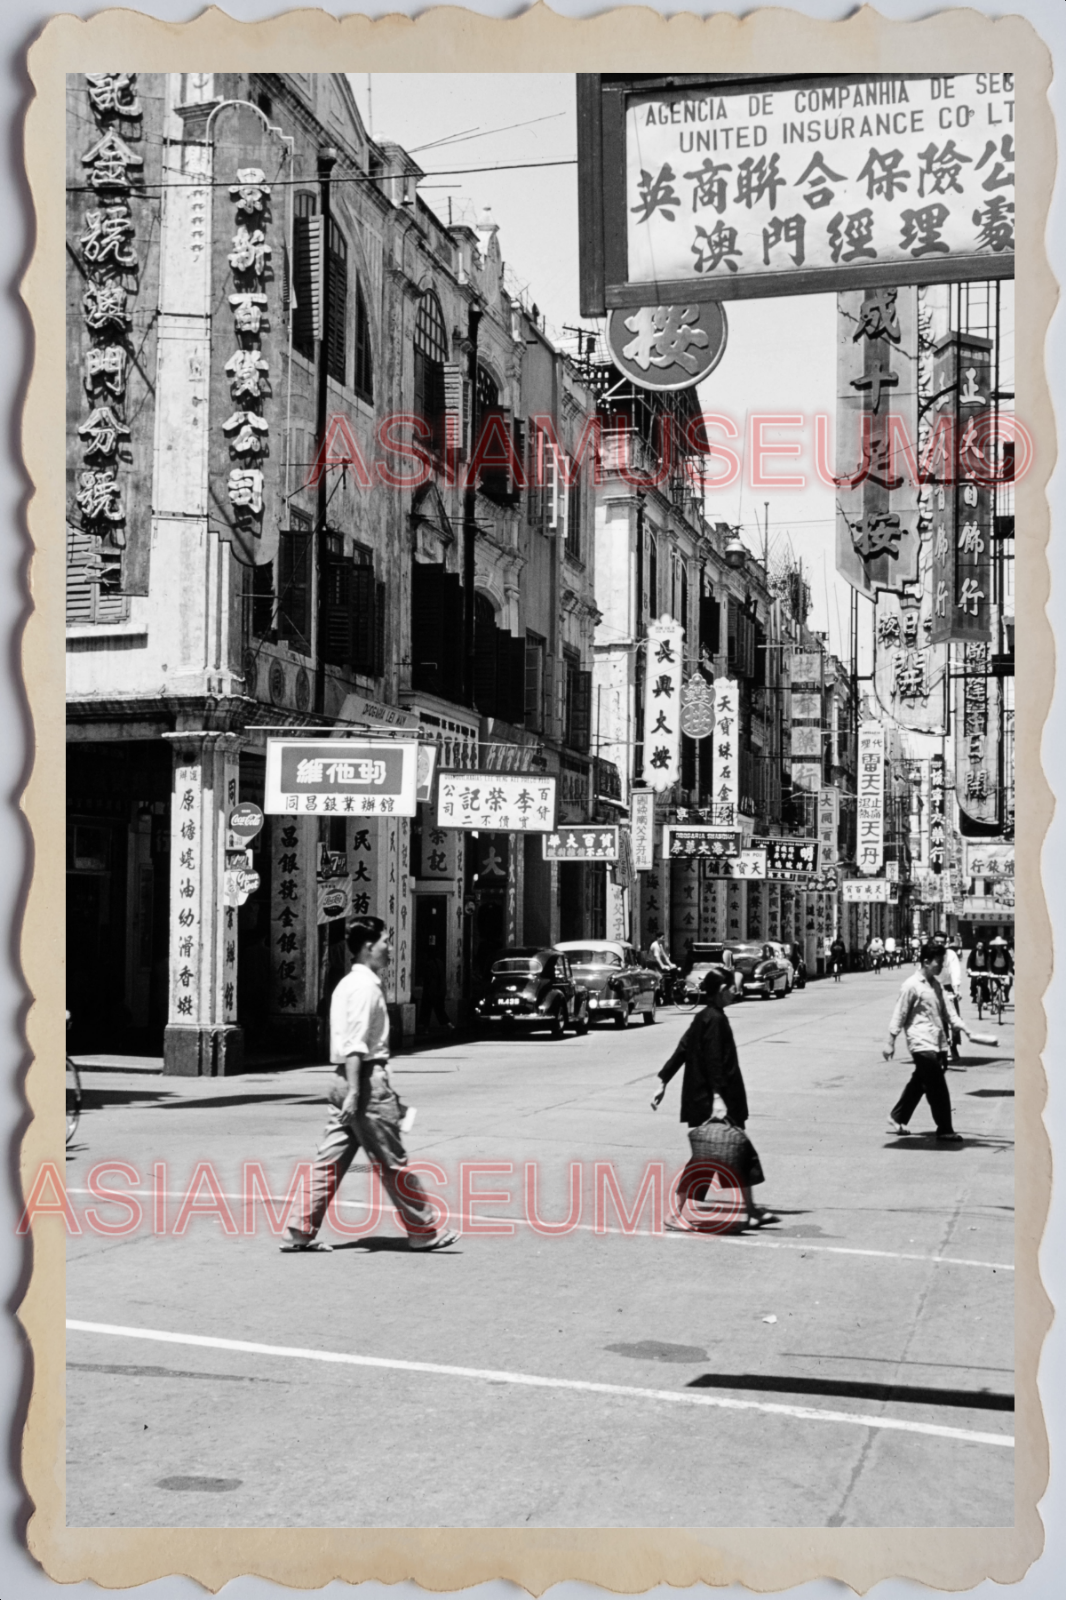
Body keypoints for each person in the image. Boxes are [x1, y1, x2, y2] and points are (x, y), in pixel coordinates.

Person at [282, 916, 459, 1253]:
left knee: (329, 1160)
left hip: (343, 1081)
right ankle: (423, 1231)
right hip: (363, 1082)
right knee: (392, 1160)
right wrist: (354, 1091)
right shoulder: (365, 987)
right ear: (368, 947)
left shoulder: (347, 983)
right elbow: (355, 1044)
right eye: (385, 942)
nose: (390, 948)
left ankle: (298, 1231)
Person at [651, 967, 776, 1229]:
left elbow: (683, 1048)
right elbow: (715, 1062)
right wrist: (719, 1099)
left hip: (711, 1100)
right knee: (712, 1159)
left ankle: (750, 1209)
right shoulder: (715, 1019)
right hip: (716, 1102)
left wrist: (663, 1080)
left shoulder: (703, 1017)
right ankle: (674, 1214)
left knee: (733, 1155)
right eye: (732, 988)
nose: (735, 992)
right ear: (721, 991)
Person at [883, 941, 964, 1142]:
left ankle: (897, 1116)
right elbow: (899, 1013)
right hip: (920, 1043)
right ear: (926, 962)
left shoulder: (935, 985)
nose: (941, 967)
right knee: (938, 1087)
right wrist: (890, 1041)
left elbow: (947, 1010)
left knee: (920, 1081)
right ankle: (945, 1128)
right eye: (938, 962)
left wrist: (959, 1025)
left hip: (936, 1042)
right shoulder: (911, 985)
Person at [418, 944, 454, 1035]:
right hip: (440, 990)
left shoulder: (428, 964)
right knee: (440, 1010)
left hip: (431, 991)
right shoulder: (440, 962)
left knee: (427, 1010)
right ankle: (449, 1025)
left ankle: (426, 1029)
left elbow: (428, 979)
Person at [988, 936, 1013, 1002]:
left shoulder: (1006, 952)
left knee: (1008, 983)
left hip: (1004, 971)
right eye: (997, 946)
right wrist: (990, 971)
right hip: (995, 971)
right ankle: (994, 995)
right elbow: (989, 962)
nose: (998, 947)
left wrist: (1009, 971)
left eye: (1000, 946)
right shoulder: (992, 953)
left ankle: (1006, 994)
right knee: (993, 985)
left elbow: (1010, 962)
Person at [968, 940, 990, 1007]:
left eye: (981, 946)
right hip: (975, 969)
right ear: (976, 946)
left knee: (985, 985)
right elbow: (969, 960)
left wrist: (989, 971)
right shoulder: (973, 952)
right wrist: (968, 969)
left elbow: (989, 962)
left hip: (984, 969)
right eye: (979, 946)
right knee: (973, 984)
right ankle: (974, 995)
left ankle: (986, 1000)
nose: (980, 947)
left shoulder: (986, 952)